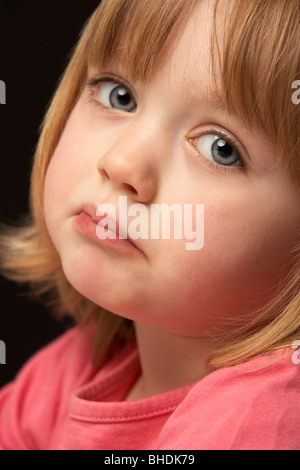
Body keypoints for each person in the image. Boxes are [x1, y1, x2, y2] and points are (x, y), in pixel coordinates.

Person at [0, 0, 299, 450]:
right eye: (118, 95)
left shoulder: (258, 421)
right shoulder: (71, 369)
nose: (121, 162)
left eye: (220, 148)